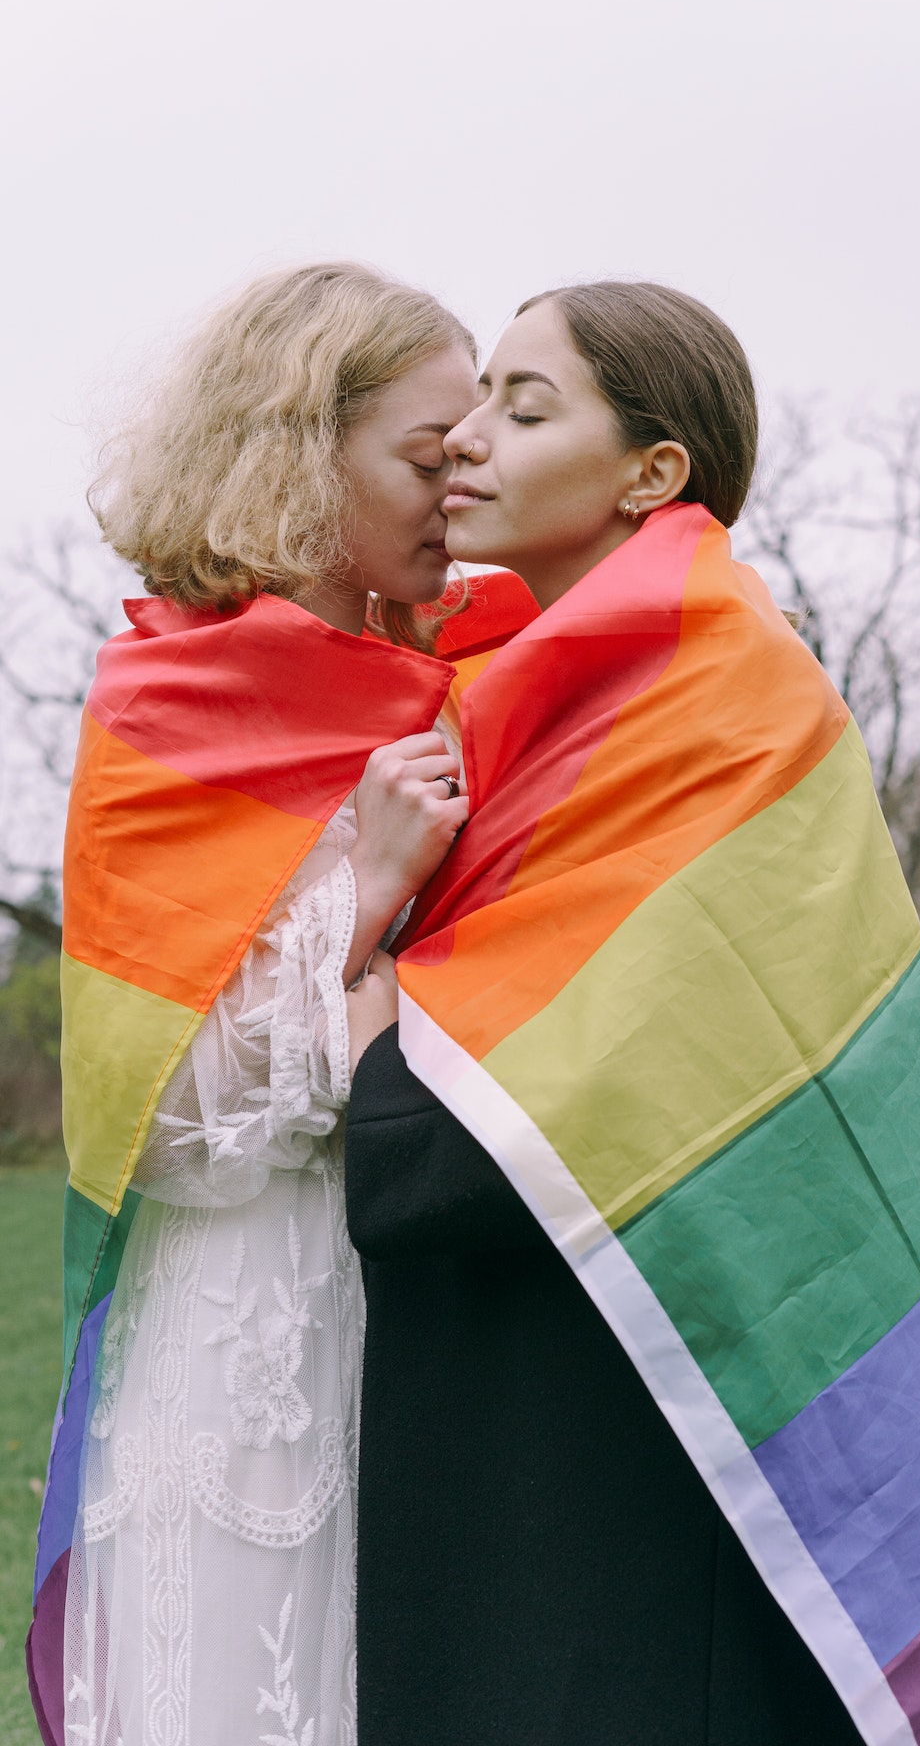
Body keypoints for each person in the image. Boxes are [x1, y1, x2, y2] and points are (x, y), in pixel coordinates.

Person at [345, 280, 920, 1746]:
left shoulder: (703, 694)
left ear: (653, 474)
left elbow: (542, 1095)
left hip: (644, 1378)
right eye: (474, 404)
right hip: (550, 1348)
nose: (466, 439)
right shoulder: (525, 690)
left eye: (527, 408)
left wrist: (362, 1001)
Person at [31, 263, 479, 1746]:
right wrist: (364, 893)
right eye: (428, 456)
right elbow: (157, 1118)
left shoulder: (466, 675)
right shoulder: (162, 708)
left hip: (466, 1291)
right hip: (257, 1303)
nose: (461, 484)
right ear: (300, 454)